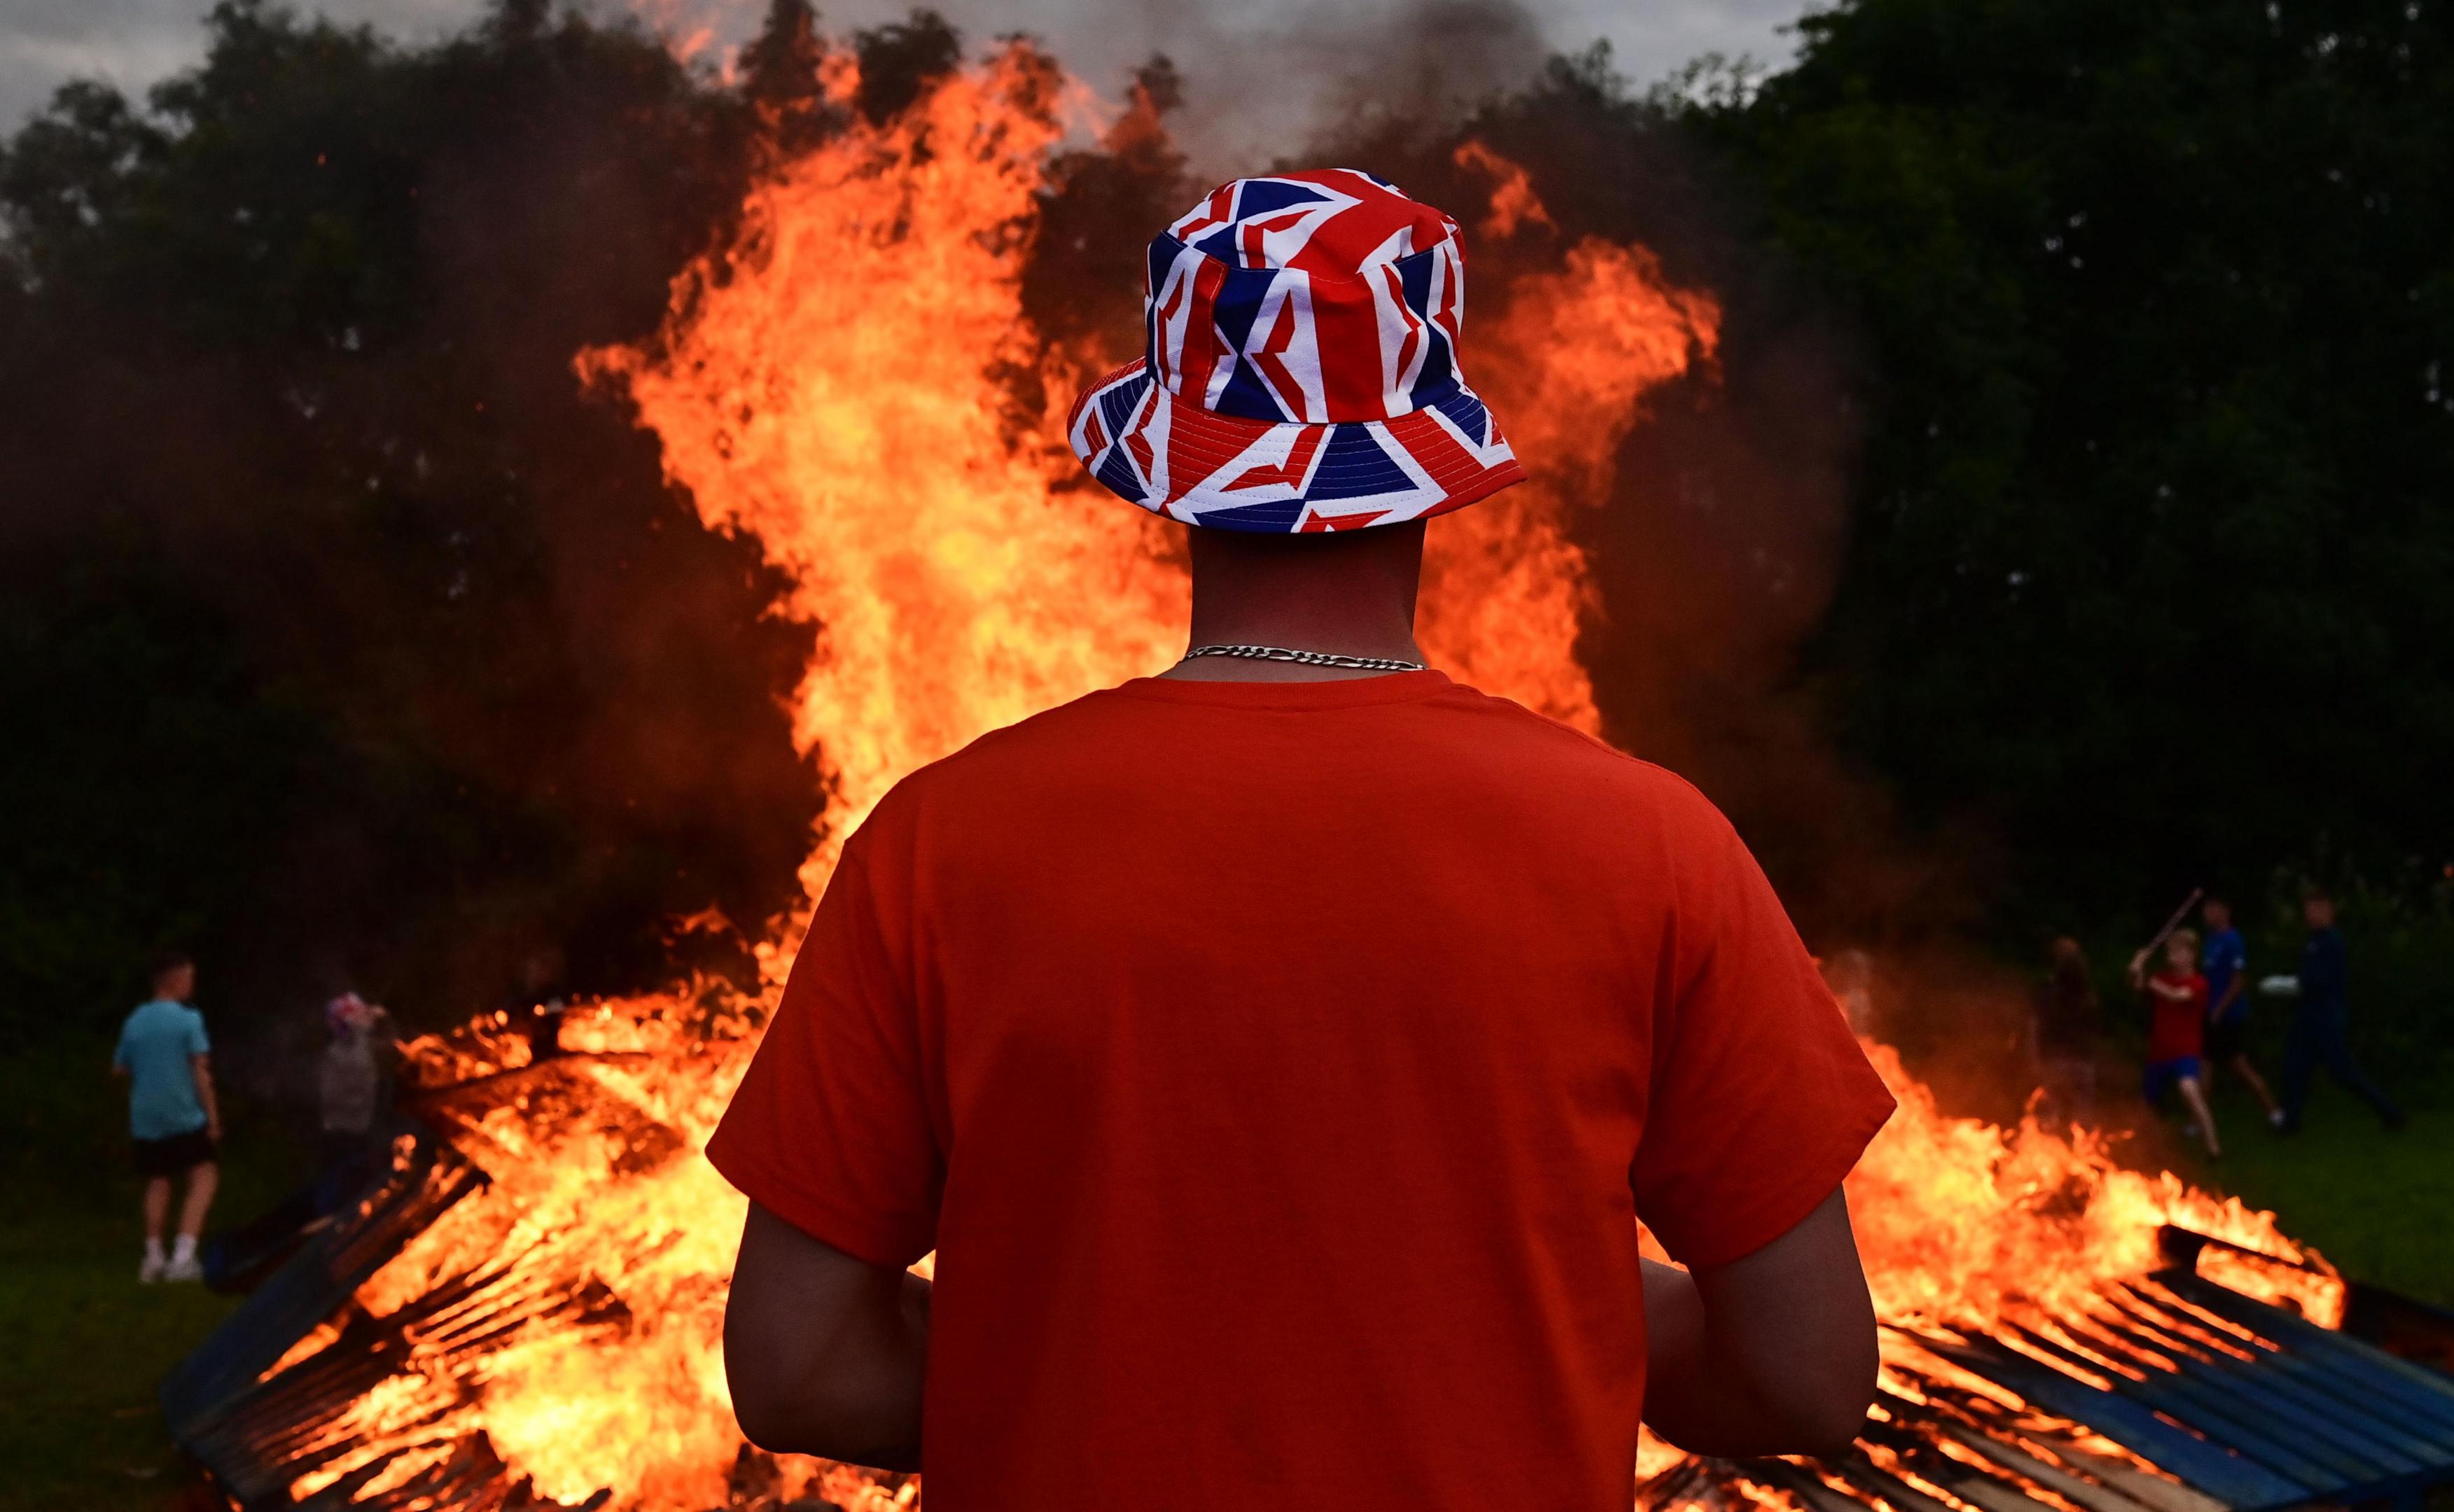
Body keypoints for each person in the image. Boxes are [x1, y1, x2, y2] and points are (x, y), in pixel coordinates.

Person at [706, 170, 1899, 1511]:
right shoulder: (1655, 845)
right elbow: (1806, 1374)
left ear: (1172, 476)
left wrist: (1073, 1375)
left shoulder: (937, 842)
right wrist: (1547, 1329)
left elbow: (795, 1364)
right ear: (1428, 474)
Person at [112, 952, 221, 1284]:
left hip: (146, 1116)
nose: (191, 984)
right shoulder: (188, 1020)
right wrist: (213, 1118)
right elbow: (200, 1071)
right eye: (188, 977)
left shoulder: (135, 1021)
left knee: (158, 1181)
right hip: (182, 1113)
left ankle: (153, 1257)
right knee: (203, 1176)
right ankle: (183, 1258)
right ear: (174, 980)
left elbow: (119, 1068)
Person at [2278, 890, 2406, 1133]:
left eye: (2316, 909)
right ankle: (2290, 1121)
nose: (2310, 914)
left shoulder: (2331, 942)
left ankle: (2390, 1112)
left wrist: (2292, 986)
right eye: (2308, 909)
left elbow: (2321, 980)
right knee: (2296, 1066)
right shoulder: (2312, 941)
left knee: (2342, 1071)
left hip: (2326, 1015)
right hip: (2308, 1014)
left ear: (2328, 911)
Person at [2130, 928, 2219, 1158]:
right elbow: (2139, 987)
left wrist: (2147, 978)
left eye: (2179, 950)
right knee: (2146, 1104)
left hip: (2185, 1051)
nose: (2173, 954)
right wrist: (2137, 968)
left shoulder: (2199, 983)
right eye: (2171, 950)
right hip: (2159, 1051)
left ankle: (2212, 1146)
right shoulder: (2161, 978)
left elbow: (2177, 996)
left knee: (2189, 1089)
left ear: (2191, 955)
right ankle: (2141, 1147)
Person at [2197, 897, 2282, 1126]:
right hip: (2210, 1015)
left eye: (2212, 908)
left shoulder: (2233, 940)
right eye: (2206, 909)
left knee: (2240, 1067)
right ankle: (2200, 1122)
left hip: (2229, 1016)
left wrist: (2219, 1010)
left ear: (2225, 911)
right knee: (2204, 1065)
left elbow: (2239, 981)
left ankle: (2274, 1113)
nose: (2207, 913)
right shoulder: (2210, 941)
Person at [316, 992, 391, 1195]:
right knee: (348, 1190)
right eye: (361, 1018)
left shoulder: (362, 1047)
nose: (368, 1022)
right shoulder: (340, 1056)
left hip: (362, 1135)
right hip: (350, 1140)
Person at [2033, 938, 2100, 1128]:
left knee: (2049, 1116)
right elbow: (2094, 1031)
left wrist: (2035, 1060)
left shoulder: (2047, 995)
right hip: (2083, 1064)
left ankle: (2043, 1154)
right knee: (2082, 1119)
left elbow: (2036, 1027)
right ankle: (2083, 1154)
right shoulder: (2089, 999)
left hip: (2055, 1063)